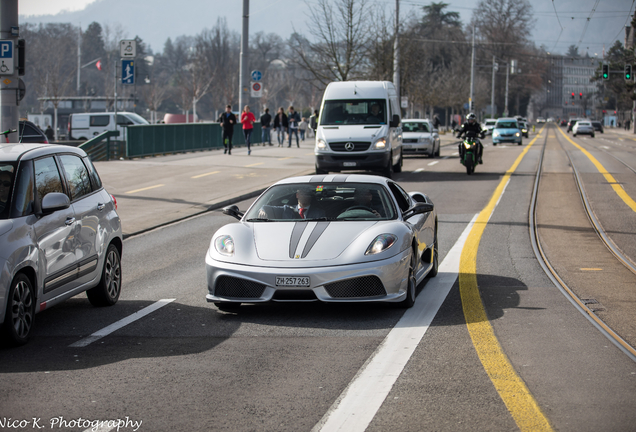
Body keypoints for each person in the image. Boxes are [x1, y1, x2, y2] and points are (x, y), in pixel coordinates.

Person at [258, 187, 326, 220]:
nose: (304, 196)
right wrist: (262, 210)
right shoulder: (287, 209)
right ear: (297, 195)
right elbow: (265, 207)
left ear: (310, 197)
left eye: (307, 194)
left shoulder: (319, 213)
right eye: (302, 194)